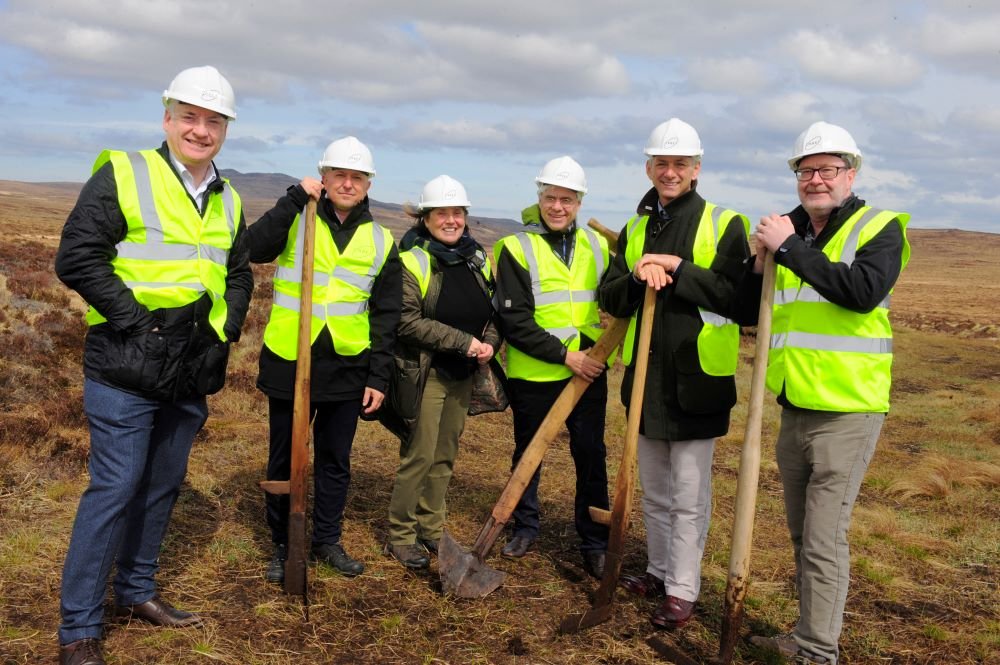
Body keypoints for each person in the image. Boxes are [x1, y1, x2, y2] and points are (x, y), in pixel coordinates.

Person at [53, 66, 252, 665]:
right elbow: (77, 257)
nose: (200, 129)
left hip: (191, 370)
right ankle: (79, 630)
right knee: (115, 488)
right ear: (167, 118)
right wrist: (138, 322)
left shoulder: (229, 195)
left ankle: (135, 591)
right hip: (125, 367)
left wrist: (226, 329)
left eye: (212, 120)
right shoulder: (124, 172)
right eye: (189, 116)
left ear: (225, 130)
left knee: (162, 486)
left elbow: (237, 273)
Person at [745, 121, 910, 665]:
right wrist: (759, 260)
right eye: (806, 170)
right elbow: (757, 309)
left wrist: (788, 247)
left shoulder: (879, 228)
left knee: (823, 538)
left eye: (827, 169)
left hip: (848, 411)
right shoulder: (795, 234)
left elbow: (861, 293)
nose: (815, 179)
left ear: (850, 173)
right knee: (802, 535)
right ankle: (805, 634)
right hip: (795, 407)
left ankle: (818, 652)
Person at [598, 118, 751, 629]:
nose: (670, 171)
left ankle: (683, 590)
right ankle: (660, 572)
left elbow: (739, 299)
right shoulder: (635, 228)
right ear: (648, 167)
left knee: (689, 494)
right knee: (656, 490)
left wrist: (678, 269)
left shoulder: (723, 223)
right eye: (661, 163)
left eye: (680, 164)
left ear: (696, 169)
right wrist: (639, 270)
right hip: (644, 382)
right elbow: (610, 295)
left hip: (696, 382)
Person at [248, 136, 401, 582]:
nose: (348, 184)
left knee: (335, 459)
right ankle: (282, 541)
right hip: (289, 358)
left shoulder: (380, 239)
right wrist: (294, 199)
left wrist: (379, 376)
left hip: (348, 365)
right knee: (284, 456)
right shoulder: (297, 217)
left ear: (368, 184)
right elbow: (253, 248)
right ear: (324, 176)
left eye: (357, 177)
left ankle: (327, 539)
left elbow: (387, 314)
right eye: (340, 175)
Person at [492, 156, 611, 579]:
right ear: (538, 197)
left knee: (591, 454)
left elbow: (614, 300)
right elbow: (515, 321)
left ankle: (595, 541)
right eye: (550, 198)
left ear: (579, 202)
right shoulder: (514, 248)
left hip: (589, 373)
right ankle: (525, 526)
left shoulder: (599, 246)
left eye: (566, 199)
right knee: (529, 451)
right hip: (537, 373)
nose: (557, 206)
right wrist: (566, 356)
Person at [381, 175, 500, 569]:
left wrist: (490, 345)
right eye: (441, 214)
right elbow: (406, 321)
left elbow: (495, 312)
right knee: (419, 454)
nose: (450, 220)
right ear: (425, 218)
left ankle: (431, 529)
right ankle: (400, 535)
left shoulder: (476, 258)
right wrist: (462, 342)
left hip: (462, 374)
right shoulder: (413, 260)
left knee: (445, 454)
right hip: (424, 373)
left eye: (457, 213)